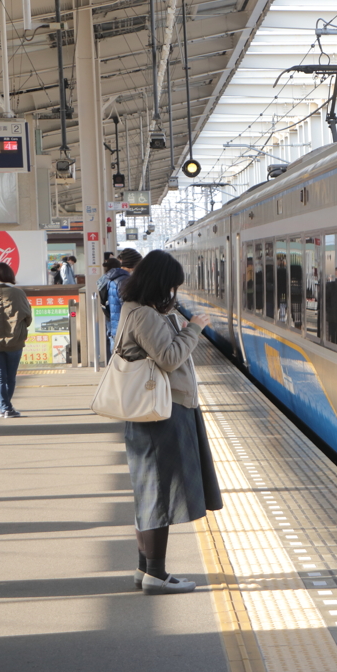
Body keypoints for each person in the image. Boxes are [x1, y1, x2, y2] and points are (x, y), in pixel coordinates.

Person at [114, 249, 222, 594]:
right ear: (160, 283)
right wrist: (195, 329)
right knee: (158, 494)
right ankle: (156, 575)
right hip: (161, 414)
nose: (173, 294)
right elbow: (171, 358)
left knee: (151, 491)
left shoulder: (141, 311)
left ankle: (146, 569)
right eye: (171, 287)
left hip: (158, 412)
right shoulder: (144, 315)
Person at [0, 262, 33, 418]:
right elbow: (27, 317)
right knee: (11, 376)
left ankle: (4, 407)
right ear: (10, 275)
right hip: (15, 340)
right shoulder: (19, 294)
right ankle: (6, 407)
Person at [107, 249, 142, 357]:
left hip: (116, 329)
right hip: (123, 332)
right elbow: (129, 307)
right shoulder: (124, 281)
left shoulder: (115, 277)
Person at [97, 257, 122, 354]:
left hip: (108, 312)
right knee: (118, 338)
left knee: (112, 336)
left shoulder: (102, 279)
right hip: (117, 311)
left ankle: (113, 360)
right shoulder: (116, 279)